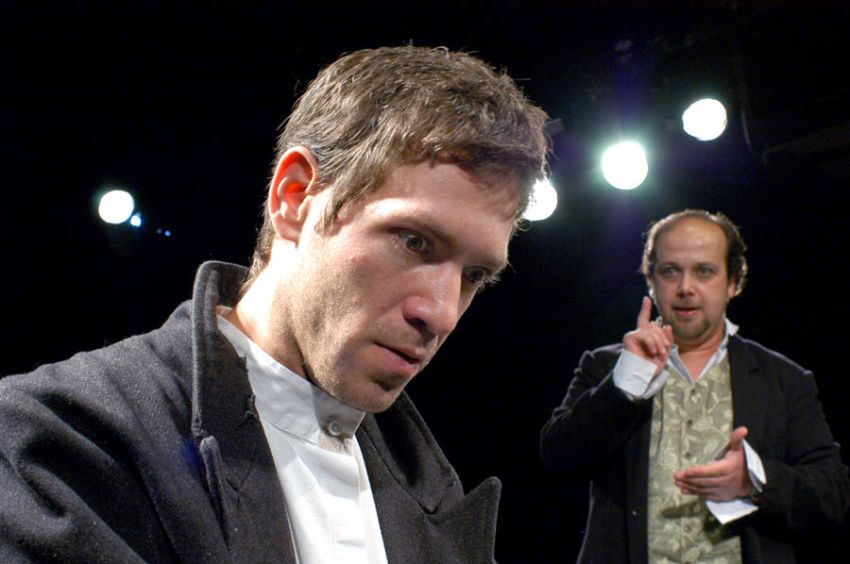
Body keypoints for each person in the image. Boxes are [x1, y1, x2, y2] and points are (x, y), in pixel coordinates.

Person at [0, 46, 548, 563]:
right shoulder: (60, 436)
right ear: (295, 197)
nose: (443, 314)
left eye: (475, 276)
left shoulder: (431, 486)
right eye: (414, 242)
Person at [541, 209, 850, 563]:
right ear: (651, 280)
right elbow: (558, 459)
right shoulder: (606, 366)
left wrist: (754, 480)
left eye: (704, 271)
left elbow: (832, 494)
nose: (686, 287)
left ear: (733, 282)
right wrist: (626, 383)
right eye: (670, 271)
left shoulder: (784, 379)